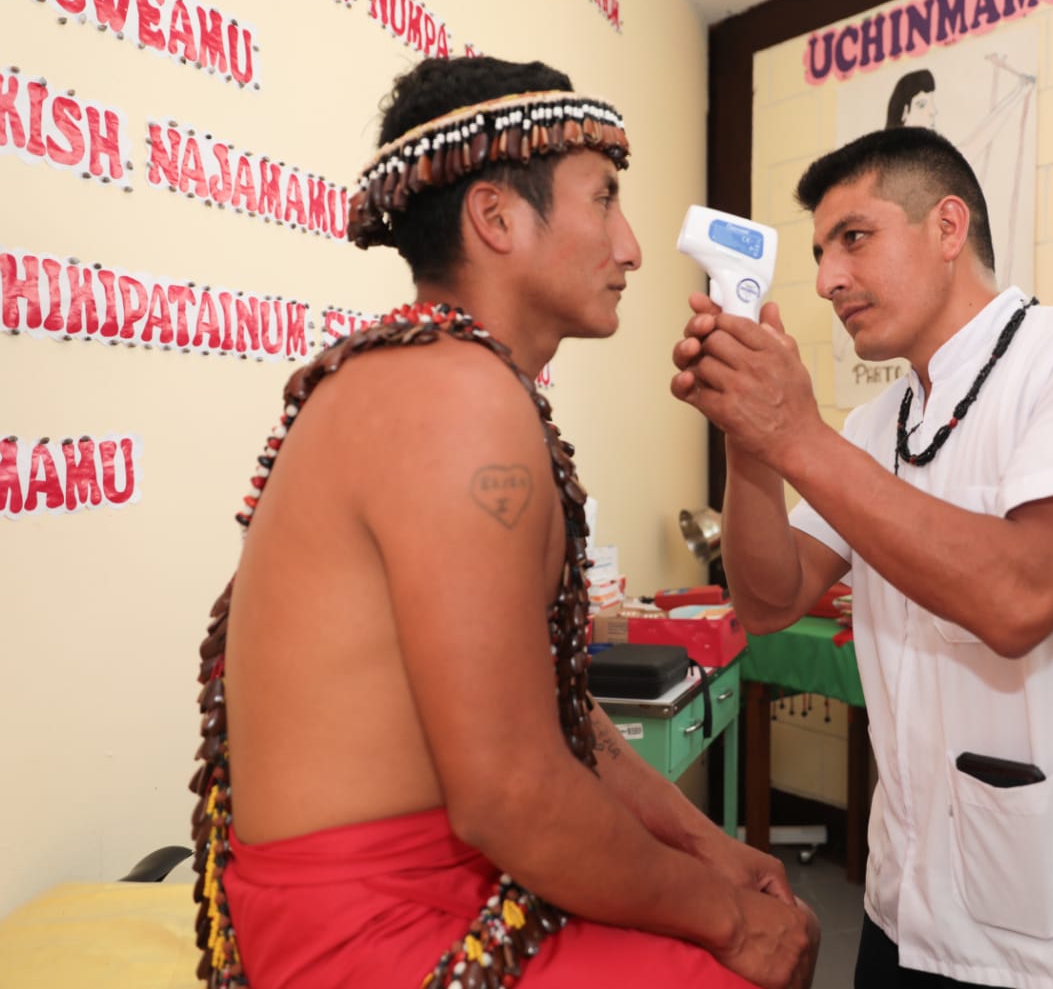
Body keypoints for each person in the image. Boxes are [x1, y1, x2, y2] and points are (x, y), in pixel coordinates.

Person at [187, 56, 818, 989]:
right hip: (373, 929)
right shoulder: (455, 397)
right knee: (765, 954)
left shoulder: (438, 375)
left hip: (425, 880)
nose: (634, 246)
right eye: (604, 200)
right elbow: (513, 796)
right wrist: (730, 918)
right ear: (496, 219)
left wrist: (712, 851)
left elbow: (562, 723)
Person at [671, 127, 1053, 989]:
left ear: (949, 227)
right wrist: (750, 444)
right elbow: (773, 598)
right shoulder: (876, 426)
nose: (827, 279)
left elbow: (1018, 599)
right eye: (817, 253)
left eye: (855, 237)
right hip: (907, 903)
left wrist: (796, 434)